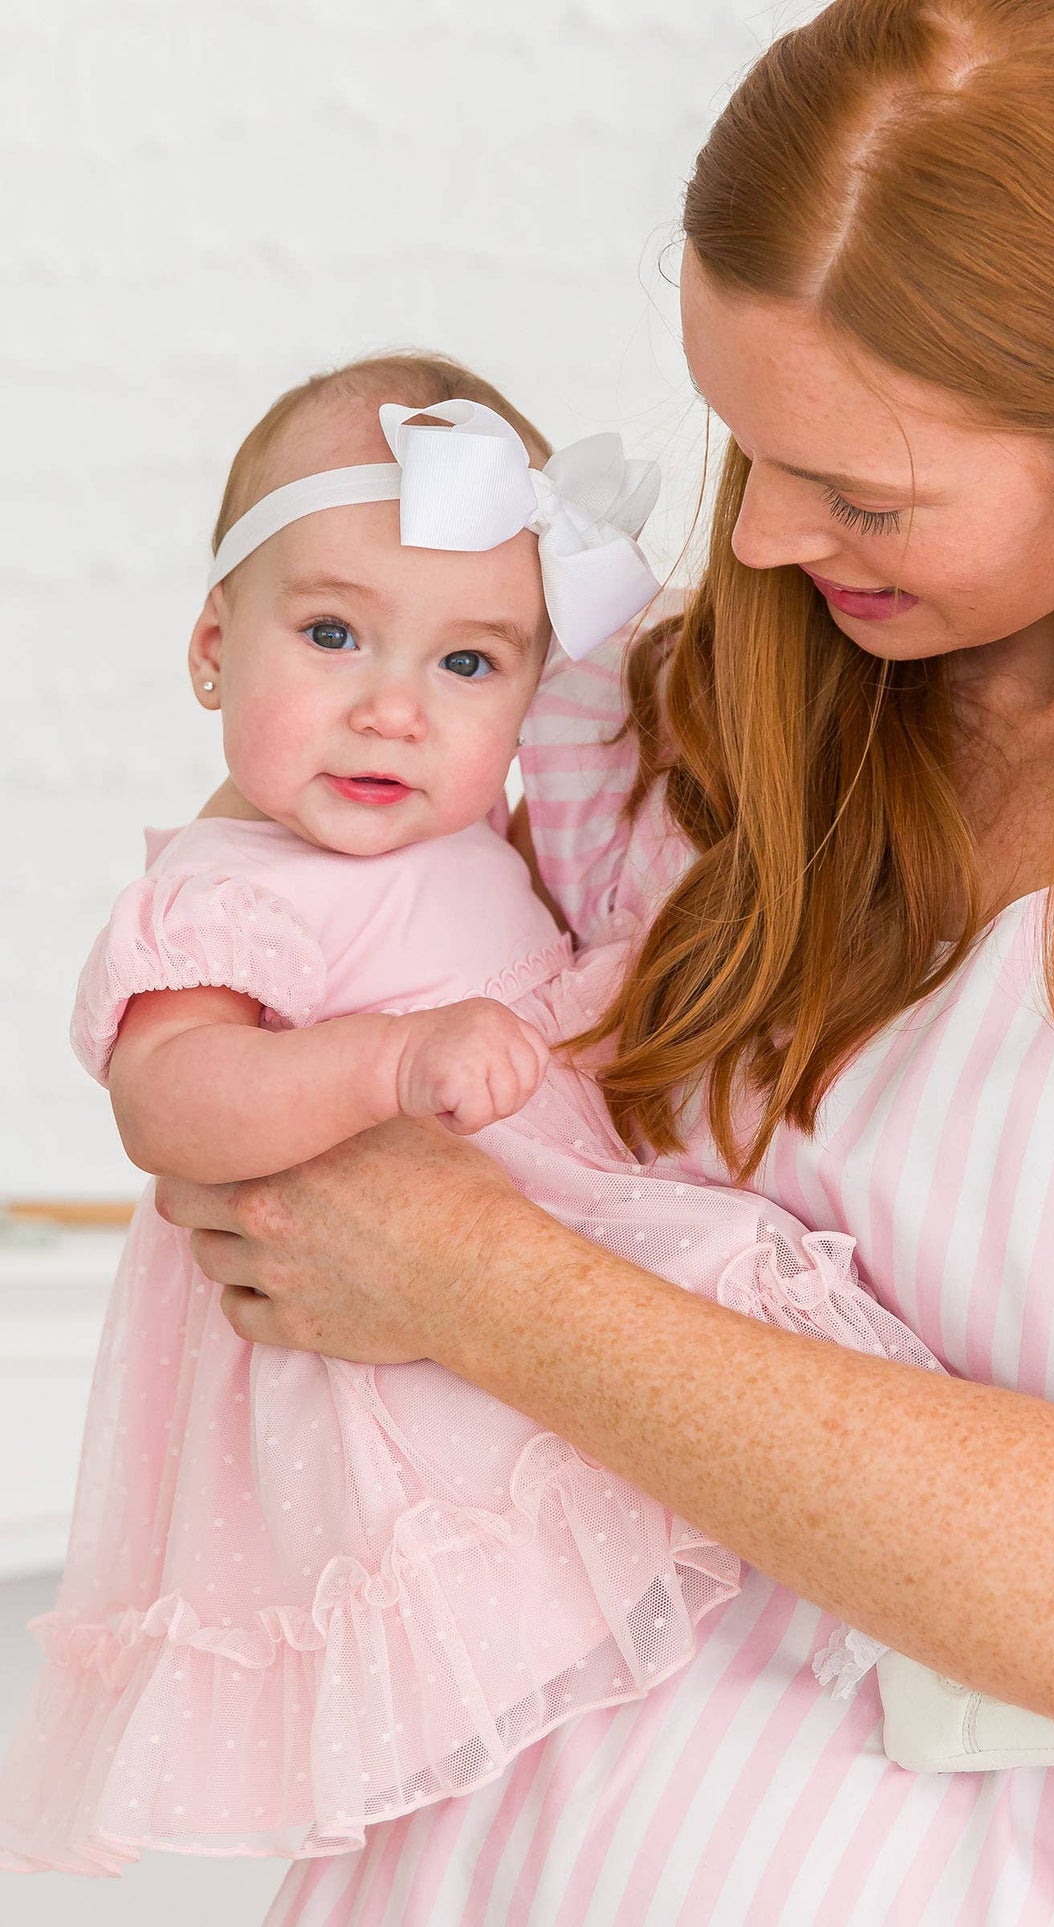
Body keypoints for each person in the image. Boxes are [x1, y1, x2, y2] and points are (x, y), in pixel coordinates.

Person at [172, 3, 1054, 1921]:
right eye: (747, 448)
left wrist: (469, 1275)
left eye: (864, 493)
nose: (759, 538)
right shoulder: (663, 736)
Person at [0, 352, 950, 1876]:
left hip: (523, 1287)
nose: (390, 710)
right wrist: (385, 1064)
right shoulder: (229, 890)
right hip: (392, 1362)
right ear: (208, 650)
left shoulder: (487, 834)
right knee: (516, 1674)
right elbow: (173, 1100)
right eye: (330, 635)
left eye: (467, 666)